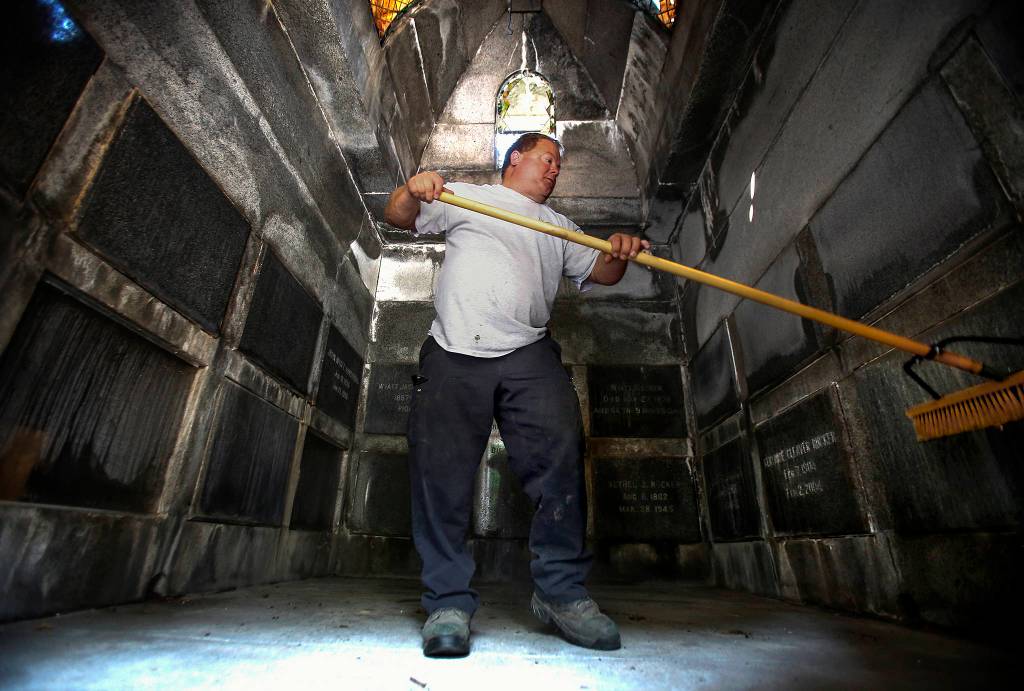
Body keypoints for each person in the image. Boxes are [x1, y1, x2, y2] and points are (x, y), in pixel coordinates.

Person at [383, 133, 649, 658]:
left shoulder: (559, 227)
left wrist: (620, 251)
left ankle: (561, 594)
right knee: (441, 474)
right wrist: (414, 189)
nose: (553, 170)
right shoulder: (462, 196)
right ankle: (448, 602)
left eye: (559, 165)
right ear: (515, 159)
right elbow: (399, 215)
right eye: (546, 159)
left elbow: (603, 272)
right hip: (455, 347)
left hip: (528, 353)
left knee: (561, 460)